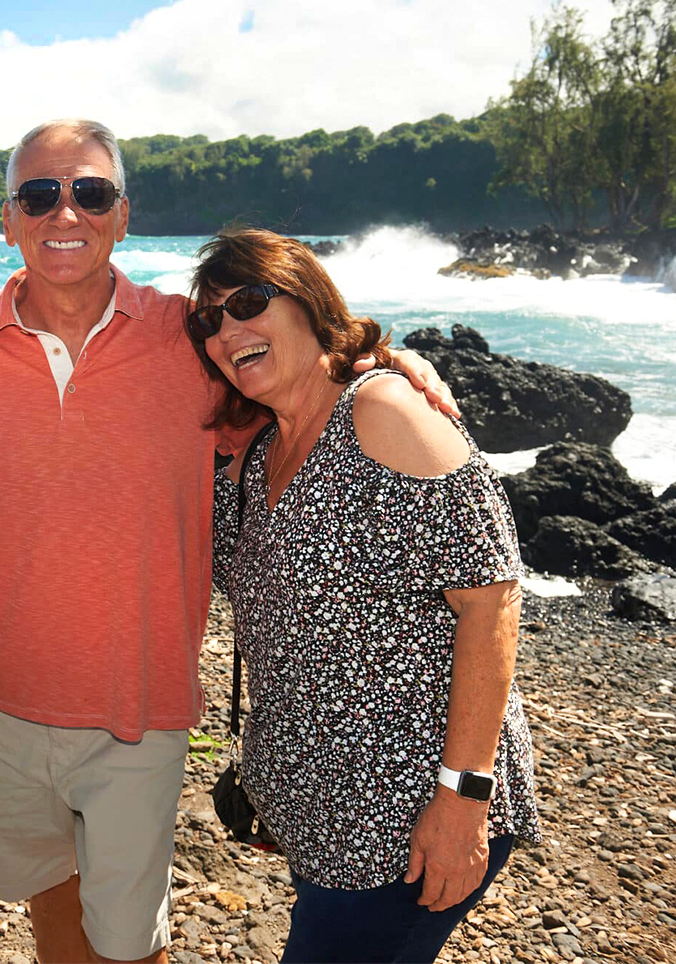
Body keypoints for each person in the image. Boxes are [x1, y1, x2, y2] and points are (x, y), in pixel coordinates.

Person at [0, 119, 458, 964]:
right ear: (8, 220)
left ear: (123, 215)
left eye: (90, 192)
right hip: (0, 699)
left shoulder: (190, 341)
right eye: (39, 195)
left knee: (129, 945)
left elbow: (301, 376)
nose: (65, 213)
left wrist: (386, 360)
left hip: (138, 710)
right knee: (54, 917)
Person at [193, 227, 543, 964]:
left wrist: (462, 800)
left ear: (311, 302)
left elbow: (493, 603)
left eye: (250, 303)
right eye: (209, 321)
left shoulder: (382, 413)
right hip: (324, 823)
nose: (228, 331)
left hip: (409, 819)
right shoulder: (256, 452)